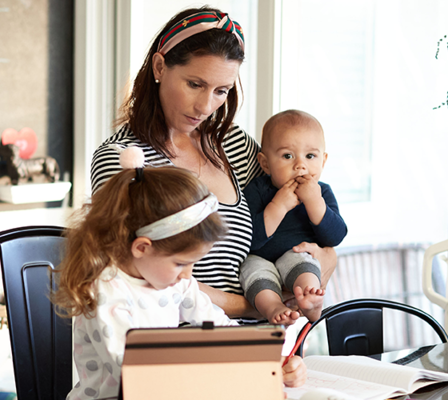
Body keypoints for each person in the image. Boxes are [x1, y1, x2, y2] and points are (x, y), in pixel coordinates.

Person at [90, 7, 338, 322]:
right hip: (183, 339)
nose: (206, 106)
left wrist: (325, 258)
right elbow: (132, 275)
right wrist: (258, 305)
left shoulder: (234, 145)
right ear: (159, 66)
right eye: (195, 84)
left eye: (221, 91)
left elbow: (310, 227)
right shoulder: (123, 158)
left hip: (265, 333)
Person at [54, 149, 307, 400]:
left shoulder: (175, 282)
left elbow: (224, 332)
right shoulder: (107, 294)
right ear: (142, 247)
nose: (188, 275)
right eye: (180, 263)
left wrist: (272, 365)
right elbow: (135, 378)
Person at [241, 110, 347, 325]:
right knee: (252, 270)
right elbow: (250, 240)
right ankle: (273, 308)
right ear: (265, 163)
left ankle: (311, 299)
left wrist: (314, 202)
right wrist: (279, 205)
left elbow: (335, 237)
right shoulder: (257, 189)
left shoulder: (322, 193)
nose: (300, 165)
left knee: (303, 261)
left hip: (297, 254)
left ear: (323, 160)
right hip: (260, 258)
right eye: (287, 156)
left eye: (310, 156)